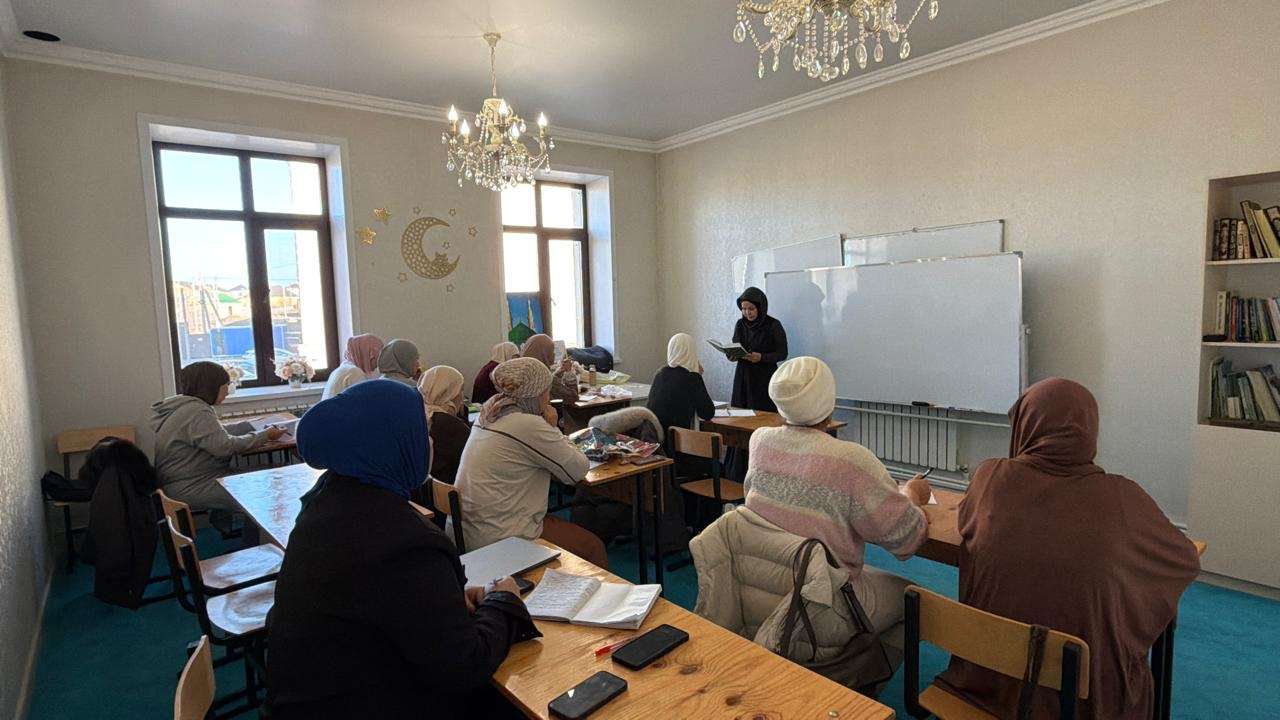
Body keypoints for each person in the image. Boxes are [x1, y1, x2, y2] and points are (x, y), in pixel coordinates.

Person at [268, 379, 539, 719]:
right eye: (423, 431)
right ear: (393, 443)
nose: (430, 441)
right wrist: (504, 602)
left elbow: (385, 603)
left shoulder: (324, 502)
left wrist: (446, 601)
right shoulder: (404, 542)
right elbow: (464, 666)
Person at [934, 378, 1200, 720]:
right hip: (1081, 702)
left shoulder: (989, 477)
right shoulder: (1123, 499)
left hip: (983, 684)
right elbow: (1183, 559)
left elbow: (967, 522)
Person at [743, 356, 932, 667]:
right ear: (828, 402)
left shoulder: (759, 441)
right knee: (915, 599)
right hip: (822, 605)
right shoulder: (851, 460)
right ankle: (850, 682)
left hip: (762, 591)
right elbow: (906, 538)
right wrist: (912, 494)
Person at [454, 357, 608, 568]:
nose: (548, 396)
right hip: (501, 535)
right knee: (593, 548)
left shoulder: (488, 413)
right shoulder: (528, 424)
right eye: (546, 391)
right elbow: (577, 470)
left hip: (468, 529)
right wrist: (553, 427)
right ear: (535, 394)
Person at [152, 362, 284, 530]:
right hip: (193, 485)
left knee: (270, 474)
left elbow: (215, 433)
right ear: (212, 387)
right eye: (226, 385)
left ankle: (231, 523)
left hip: (185, 481)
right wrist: (265, 435)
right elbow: (225, 447)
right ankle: (257, 540)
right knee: (265, 489)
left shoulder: (185, 407)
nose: (228, 391)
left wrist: (251, 425)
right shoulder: (197, 412)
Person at [730, 286, 788, 412]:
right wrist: (732, 354)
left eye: (751, 309)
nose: (747, 312)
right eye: (743, 309)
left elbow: (783, 353)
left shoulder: (773, 325)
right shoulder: (740, 324)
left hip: (764, 377)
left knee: (764, 415)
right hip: (743, 377)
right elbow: (735, 346)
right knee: (740, 415)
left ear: (760, 307)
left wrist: (761, 357)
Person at [646, 332, 715, 433]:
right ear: (691, 352)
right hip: (677, 439)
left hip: (653, 436)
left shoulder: (660, 374)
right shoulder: (692, 378)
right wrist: (698, 375)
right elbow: (707, 414)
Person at [418, 365, 470, 485]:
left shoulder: (416, 412)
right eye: (460, 390)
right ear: (449, 393)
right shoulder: (451, 426)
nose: (462, 396)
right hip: (447, 487)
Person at [321, 333, 384, 400]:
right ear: (370, 354)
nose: (381, 359)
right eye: (380, 353)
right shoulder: (354, 372)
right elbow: (363, 402)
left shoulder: (344, 368)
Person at [521, 333, 579, 403]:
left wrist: (557, 374)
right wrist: (569, 372)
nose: (554, 354)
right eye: (552, 350)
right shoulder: (543, 378)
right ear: (544, 353)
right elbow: (573, 396)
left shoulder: (522, 372)